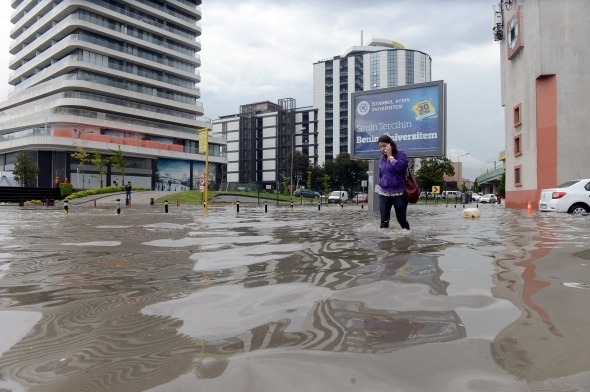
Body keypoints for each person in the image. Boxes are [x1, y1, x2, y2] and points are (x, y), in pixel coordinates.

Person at [377, 134, 410, 230]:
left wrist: (390, 156)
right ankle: (384, 242)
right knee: (384, 221)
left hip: (399, 193)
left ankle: (407, 238)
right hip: (384, 193)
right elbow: (381, 174)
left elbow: (400, 167)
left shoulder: (401, 155)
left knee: (401, 220)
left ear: (390, 145)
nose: (382, 149)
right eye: (380, 147)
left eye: (384, 146)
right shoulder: (381, 159)